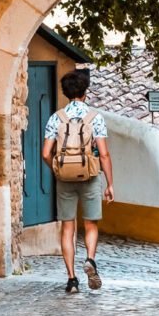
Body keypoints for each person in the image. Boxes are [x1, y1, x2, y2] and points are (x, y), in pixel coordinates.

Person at [42, 69, 114, 294]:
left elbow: (46, 153)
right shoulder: (95, 118)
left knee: (67, 227)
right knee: (91, 223)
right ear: (85, 91)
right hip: (90, 176)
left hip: (65, 178)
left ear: (65, 92)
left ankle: (72, 279)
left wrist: (58, 170)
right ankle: (90, 260)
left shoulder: (56, 118)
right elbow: (103, 154)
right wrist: (110, 183)